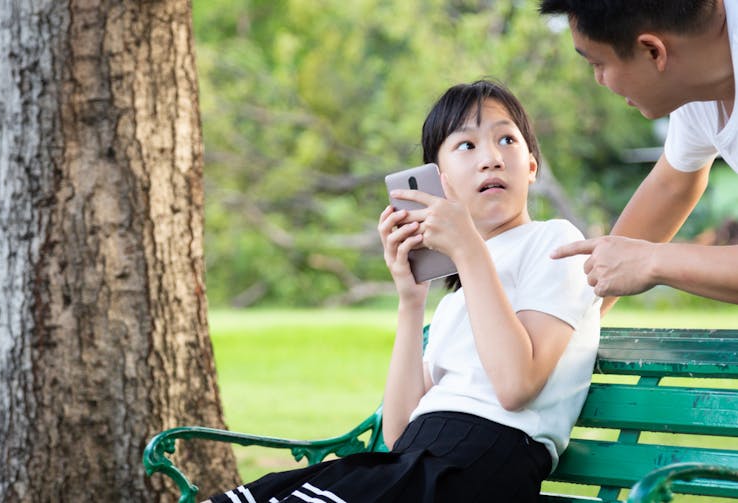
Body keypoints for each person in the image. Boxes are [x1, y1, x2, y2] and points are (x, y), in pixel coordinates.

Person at [204, 79, 600, 503]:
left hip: (484, 463)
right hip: (417, 462)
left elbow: (516, 385)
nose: (491, 158)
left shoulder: (554, 242)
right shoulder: (458, 298)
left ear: (532, 166)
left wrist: (468, 251)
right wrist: (411, 302)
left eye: (507, 139)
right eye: (467, 145)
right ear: (441, 181)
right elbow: (398, 432)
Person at [539, 0, 738, 311]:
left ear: (653, 51)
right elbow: (671, 187)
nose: (599, 80)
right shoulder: (698, 82)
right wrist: (578, 317)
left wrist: (653, 260)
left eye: (597, 64)